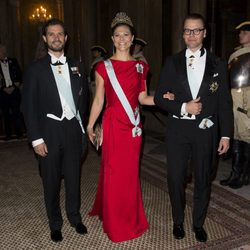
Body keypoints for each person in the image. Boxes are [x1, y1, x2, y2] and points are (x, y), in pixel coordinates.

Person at [87, 12, 172, 242]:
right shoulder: (103, 67)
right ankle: (114, 222)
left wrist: (164, 99)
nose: (122, 39)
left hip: (133, 127)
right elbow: (99, 100)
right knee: (114, 173)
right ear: (112, 39)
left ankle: (129, 217)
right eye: (117, 35)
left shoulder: (141, 67)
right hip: (113, 125)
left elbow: (143, 99)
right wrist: (90, 124)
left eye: (126, 35)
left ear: (132, 38)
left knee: (130, 175)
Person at [154, 13, 233, 243]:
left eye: (196, 30)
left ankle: (198, 223)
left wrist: (226, 134)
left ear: (204, 33)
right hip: (178, 130)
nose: (192, 35)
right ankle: (178, 221)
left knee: (203, 179)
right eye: (188, 30)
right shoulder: (172, 61)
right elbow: (159, 96)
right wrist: (182, 106)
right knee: (175, 177)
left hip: (206, 131)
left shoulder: (219, 63)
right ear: (183, 34)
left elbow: (224, 103)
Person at [22, 18, 89, 243]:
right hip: (48, 130)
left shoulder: (77, 66)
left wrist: (86, 127)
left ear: (66, 38)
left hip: (72, 129)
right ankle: (55, 223)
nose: (56, 38)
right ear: (45, 38)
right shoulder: (35, 69)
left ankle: (74, 217)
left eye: (60, 34)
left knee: (73, 177)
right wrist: (36, 139)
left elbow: (84, 101)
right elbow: (28, 107)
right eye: (51, 34)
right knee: (50, 180)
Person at [220, 21, 250, 189]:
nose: (240, 35)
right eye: (240, 33)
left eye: (244, 32)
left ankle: (243, 175)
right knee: (237, 135)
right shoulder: (236, 54)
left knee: (246, 135)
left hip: (247, 97)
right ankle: (236, 174)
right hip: (234, 96)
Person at [0, 44, 23, 140]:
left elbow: (19, 74)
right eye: (1, 51)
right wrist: (3, 88)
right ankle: (8, 135)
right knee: (5, 114)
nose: (2, 52)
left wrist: (14, 86)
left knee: (16, 113)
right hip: (2, 91)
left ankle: (19, 134)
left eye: (3, 50)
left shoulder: (13, 61)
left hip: (14, 90)